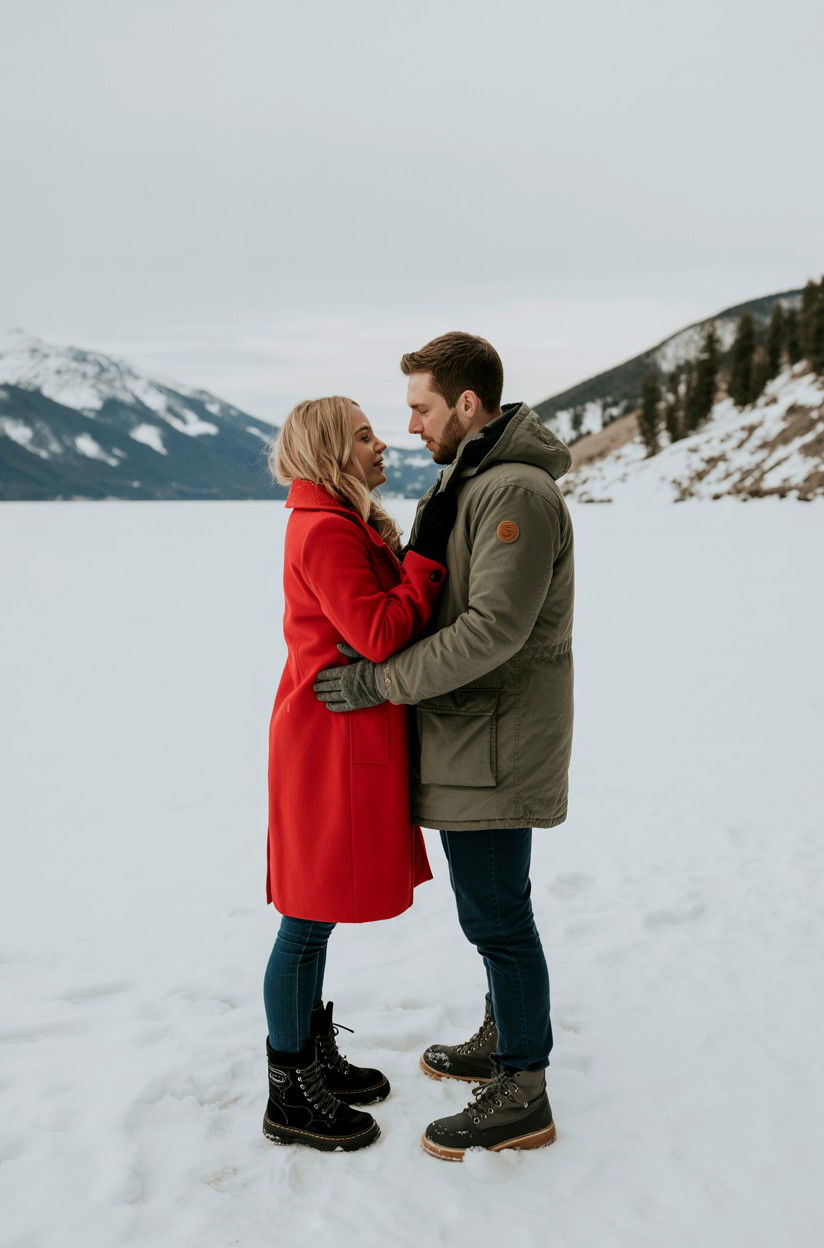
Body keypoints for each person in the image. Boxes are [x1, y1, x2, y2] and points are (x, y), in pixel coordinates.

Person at [314, 332, 575, 1161]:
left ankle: (523, 1089)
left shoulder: (514, 494)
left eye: (422, 409)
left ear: (468, 404)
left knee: (500, 916)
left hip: (496, 742)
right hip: (474, 736)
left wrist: (378, 683)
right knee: (491, 910)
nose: (411, 428)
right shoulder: (471, 481)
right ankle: (506, 1042)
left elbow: (493, 630)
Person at [262, 394, 457, 1152]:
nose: (383, 444)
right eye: (365, 437)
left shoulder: (335, 522)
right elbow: (377, 633)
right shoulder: (324, 532)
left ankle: (310, 1058)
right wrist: (427, 562)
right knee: (305, 920)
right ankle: (290, 1092)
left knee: (316, 916)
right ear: (329, 454)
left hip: (335, 736)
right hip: (326, 744)